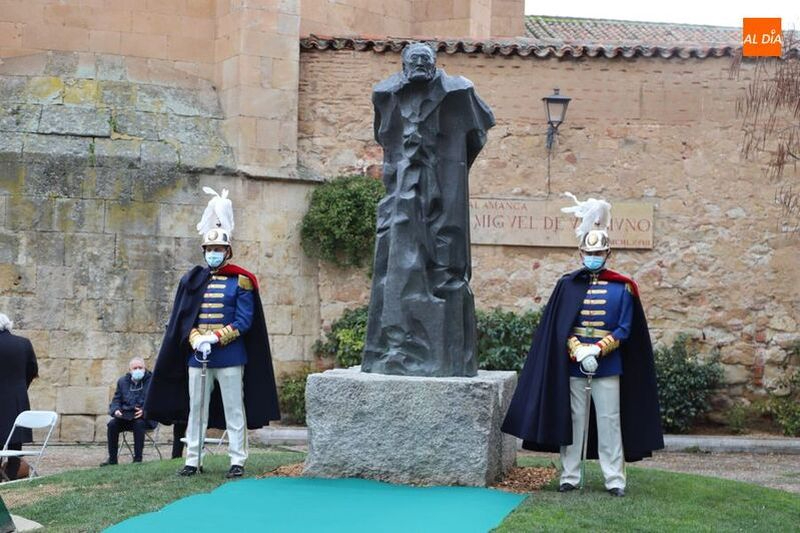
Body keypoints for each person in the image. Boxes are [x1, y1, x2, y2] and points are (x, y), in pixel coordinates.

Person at [502, 194, 663, 497]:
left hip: (608, 364)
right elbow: (559, 327)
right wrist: (578, 349)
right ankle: (570, 476)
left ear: (607, 252)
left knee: (609, 421)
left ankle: (614, 478)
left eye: (598, 251)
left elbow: (625, 328)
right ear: (581, 252)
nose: (593, 256)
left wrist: (597, 350)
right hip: (575, 363)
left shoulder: (623, 287)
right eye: (589, 251)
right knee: (574, 420)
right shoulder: (567, 284)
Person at [362, 42, 495, 377]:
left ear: (435, 63)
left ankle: (438, 352)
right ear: (403, 65)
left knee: (445, 258)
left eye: (426, 60)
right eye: (414, 60)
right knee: (397, 255)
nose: (420, 64)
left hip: (443, 180)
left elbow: (479, 132)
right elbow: (384, 137)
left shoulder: (459, 91)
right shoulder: (386, 93)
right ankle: (396, 345)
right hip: (403, 185)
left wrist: (452, 165)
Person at [144, 187, 280, 479]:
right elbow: (184, 317)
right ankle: (193, 459)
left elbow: (244, 321)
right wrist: (196, 338)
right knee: (197, 410)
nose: (213, 254)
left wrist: (215, 338)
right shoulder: (194, 279)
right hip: (198, 357)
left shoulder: (241, 281)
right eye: (209, 250)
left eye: (218, 250)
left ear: (227, 251)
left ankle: (237, 459)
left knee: (234, 410)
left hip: (230, 356)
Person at [0, 313, 38, 481]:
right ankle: (11, 477)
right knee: (15, 445)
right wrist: (21, 387)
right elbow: (32, 370)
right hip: (17, 399)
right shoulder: (23, 343)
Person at [101, 357, 157, 465]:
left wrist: (145, 411)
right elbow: (116, 400)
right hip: (126, 416)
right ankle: (112, 459)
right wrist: (116, 410)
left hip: (146, 418)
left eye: (140, 368)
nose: (138, 370)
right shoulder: (122, 381)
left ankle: (137, 459)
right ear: (130, 370)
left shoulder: (152, 381)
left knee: (139, 424)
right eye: (135, 368)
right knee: (112, 425)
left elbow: (157, 400)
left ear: (145, 368)